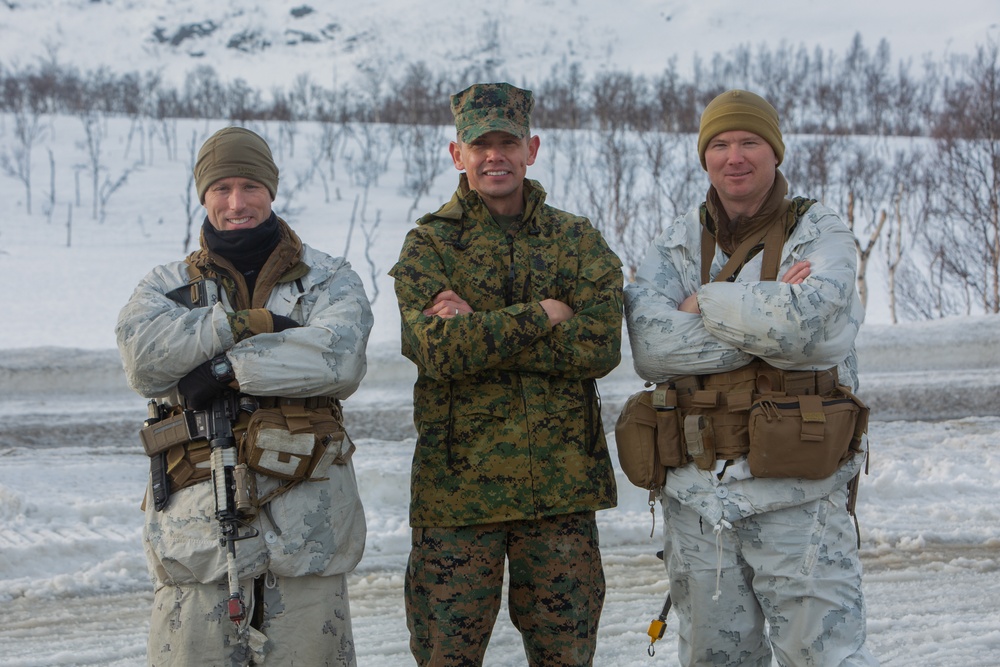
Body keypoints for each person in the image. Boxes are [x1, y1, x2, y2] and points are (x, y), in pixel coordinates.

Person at [623, 90, 878, 666]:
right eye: (719, 144)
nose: (733, 156)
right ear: (704, 156)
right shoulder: (679, 238)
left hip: (798, 495)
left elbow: (806, 330)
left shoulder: (820, 229)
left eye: (749, 142)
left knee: (823, 657)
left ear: (775, 152)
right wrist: (760, 309)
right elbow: (648, 343)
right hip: (697, 498)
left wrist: (700, 301)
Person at [116, 126, 373, 666]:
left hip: (308, 533)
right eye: (222, 188)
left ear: (271, 190)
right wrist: (241, 325)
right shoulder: (162, 287)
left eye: (251, 186)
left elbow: (337, 359)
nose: (238, 203)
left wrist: (219, 368)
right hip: (196, 539)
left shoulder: (329, 280)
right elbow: (144, 362)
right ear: (204, 195)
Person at [389, 82, 624, 666]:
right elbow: (435, 349)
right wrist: (543, 314)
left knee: (566, 657)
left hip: (561, 494)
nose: (495, 155)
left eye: (508, 142)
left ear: (532, 148)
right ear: (457, 154)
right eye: (480, 143)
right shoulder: (430, 245)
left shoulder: (575, 240)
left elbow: (600, 345)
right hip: (458, 497)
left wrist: (483, 330)